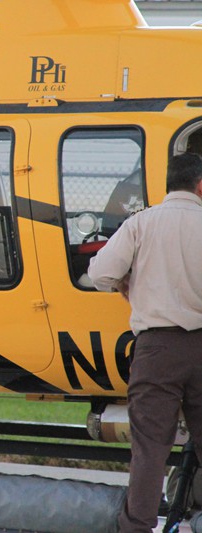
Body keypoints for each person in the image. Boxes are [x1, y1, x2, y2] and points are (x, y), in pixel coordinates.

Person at [87, 152, 202, 533]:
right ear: (201, 185)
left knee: (151, 448)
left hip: (157, 350)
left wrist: (126, 284)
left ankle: (136, 527)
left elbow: (100, 273)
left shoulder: (141, 224)